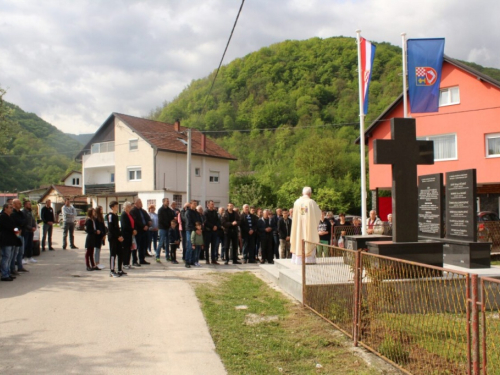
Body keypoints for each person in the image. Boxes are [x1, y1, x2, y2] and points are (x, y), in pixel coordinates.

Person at [290, 187, 322, 264]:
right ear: (310, 194)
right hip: (308, 227)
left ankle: (298, 260)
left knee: (298, 239)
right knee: (308, 238)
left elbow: (295, 216)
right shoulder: (311, 202)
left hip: (299, 227)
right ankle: (308, 260)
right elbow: (318, 214)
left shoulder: (297, 202)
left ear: (302, 193)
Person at [0, 203, 21, 281]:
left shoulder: (10, 216)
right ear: (5, 208)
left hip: (11, 239)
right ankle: (4, 275)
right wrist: (16, 230)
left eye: (12, 208)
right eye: (10, 208)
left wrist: (16, 229)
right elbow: (10, 227)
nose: (12, 209)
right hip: (6, 240)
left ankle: (8, 273)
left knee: (10, 257)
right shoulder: (2, 216)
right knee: (6, 257)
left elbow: (14, 226)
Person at [130, 199, 151, 265]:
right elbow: (135, 220)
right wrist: (143, 226)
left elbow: (148, 218)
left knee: (143, 246)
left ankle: (142, 259)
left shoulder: (143, 211)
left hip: (144, 231)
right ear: (136, 203)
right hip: (138, 231)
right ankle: (134, 261)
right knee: (136, 246)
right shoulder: (133, 211)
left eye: (141, 202)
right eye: (139, 202)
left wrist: (147, 224)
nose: (141, 203)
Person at [107, 201, 124, 277]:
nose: (117, 208)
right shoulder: (110, 216)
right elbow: (111, 228)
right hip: (113, 237)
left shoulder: (116, 215)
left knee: (120, 253)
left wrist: (120, 236)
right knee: (113, 254)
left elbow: (117, 227)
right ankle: (112, 270)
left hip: (118, 237)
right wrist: (117, 236)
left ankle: (120, 269)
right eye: (116, 206)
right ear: (112, 207)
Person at [11, 199, 28, 273]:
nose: (20, 204)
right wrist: (21, 223)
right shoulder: (13, 213)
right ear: (14, 204)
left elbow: (25, 221)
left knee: (21, 252)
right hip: (16, 235)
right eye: (18, 203)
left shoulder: (21, 213)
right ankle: (12, 269)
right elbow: (18, 222)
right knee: (14, 253)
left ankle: (20, 267)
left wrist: (22, 223)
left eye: (20, 203)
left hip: (22, 234)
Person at [157, 198, 176, 262]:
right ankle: (157, 256)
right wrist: (167, 224)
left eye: (168, 201)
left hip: (168, 228)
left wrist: (171, 224)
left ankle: (167, 256)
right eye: (167, 201)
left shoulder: (170, 210)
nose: (168, 202)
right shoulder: (160, 210)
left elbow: (172, 218)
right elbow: (161, 220)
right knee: (161, 242)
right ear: (163, 202)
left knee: (167, 243)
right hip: (162, 228)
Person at [203, 200, 220, 265]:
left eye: (213, 204)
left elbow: (218, 220)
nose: (213, 205)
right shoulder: (205, 212)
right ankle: (207, 259)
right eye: (212, 204)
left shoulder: (215, 212)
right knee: (207, 246)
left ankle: (213, 259)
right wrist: (212, 226)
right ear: (208, 205)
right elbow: (205, 221)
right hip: (208, 231)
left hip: (214, 231)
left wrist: (216, 226)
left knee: (214, 246)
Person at [120, 202, 136, 270]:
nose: (129, 208)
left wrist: (134, 230)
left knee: (129, 249)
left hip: (130, 234)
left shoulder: (130, 214)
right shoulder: (123, 215)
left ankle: (128, 263)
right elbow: (125, 225)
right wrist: (132, 230)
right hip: (125, 234)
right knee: (125, 249)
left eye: (130, 206)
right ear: (124, 207)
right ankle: (125, 263)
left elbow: (133, 223)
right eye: (128, 207)